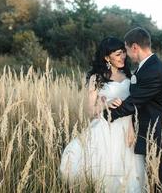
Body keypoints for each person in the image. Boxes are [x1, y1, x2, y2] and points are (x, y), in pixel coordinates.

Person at [60, 37, 146, 192]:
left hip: (126, 129)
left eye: (123, 53)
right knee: (105, 170)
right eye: (118, 54)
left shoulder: (130, 76)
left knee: (129, 172)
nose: (123, 57)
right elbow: (91, 112)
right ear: (107, 57)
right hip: (105, 129)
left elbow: (135, 106)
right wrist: (105, 103)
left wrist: (132, 127)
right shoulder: (96, 78)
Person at [103, 27, 162, 192]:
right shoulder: (146, 67)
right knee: (151, 184)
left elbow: (133, 103)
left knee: (159, 186)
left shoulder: (154, 71)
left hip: (159, 136)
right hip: (149, 134)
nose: (126, 55)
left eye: (126, 50)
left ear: (134, 47)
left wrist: (107, 114)